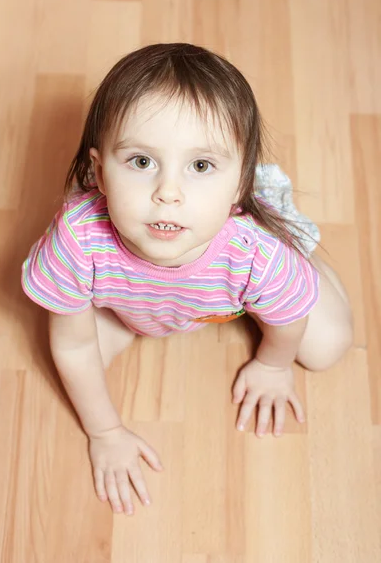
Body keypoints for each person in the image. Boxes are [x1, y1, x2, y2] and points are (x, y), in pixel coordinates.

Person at [21, 43, 353, 517]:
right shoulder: (77, 238)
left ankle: (307, 266)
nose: (168, 194)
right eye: (141, 162)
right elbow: (72, 347)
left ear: (239, 184)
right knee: (89, 347)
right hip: (129, 305)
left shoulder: (253, 251)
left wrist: (274, 365)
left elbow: (287, 322)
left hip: (233, 289)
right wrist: (106, 433)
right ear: (98, 171)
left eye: (200, 166)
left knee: (325, 346)